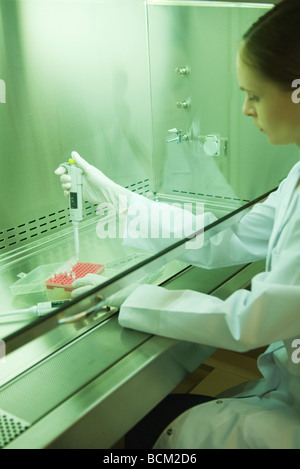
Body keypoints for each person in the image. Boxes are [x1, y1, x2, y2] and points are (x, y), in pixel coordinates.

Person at [55, 0, 300, 448]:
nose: (246, 110)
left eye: (255, 95)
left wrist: (135, 297)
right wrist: (124, 202)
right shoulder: (297, 178)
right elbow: (231, 233)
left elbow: (252, 324)